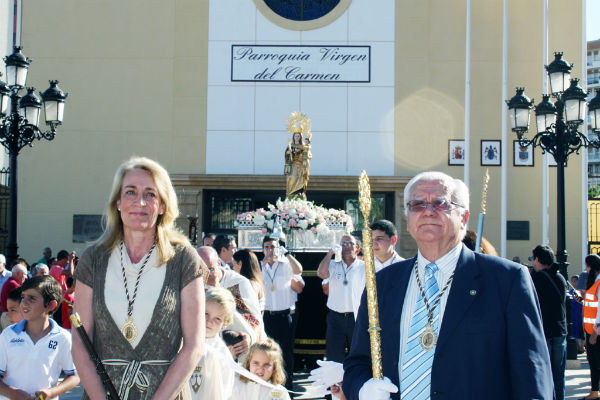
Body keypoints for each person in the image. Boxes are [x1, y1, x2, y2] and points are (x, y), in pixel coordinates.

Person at [343, 171, 552, 400]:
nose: (428, 212)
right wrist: (363, 389)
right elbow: (358, 363)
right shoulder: (382, 283)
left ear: (463, 217)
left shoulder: (507, 280)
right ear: (408, 219)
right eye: (417, 204)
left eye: (440, 203)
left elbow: (532, 375)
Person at [72, 156, 208, 399]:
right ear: (117, 202)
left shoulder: (184, 259)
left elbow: (194, 346)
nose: (140, 202)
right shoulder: (93, 259)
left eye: (151, 194)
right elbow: (81, 344)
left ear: (163, 205)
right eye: (130, 192)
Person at [0, 276, 79, 399]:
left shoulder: (63, 337)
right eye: (22, 297)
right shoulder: (7, 335)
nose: (24, 303)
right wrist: (13, 393)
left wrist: (52, 392)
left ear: (51, 305)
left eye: (32, 298)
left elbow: (74, 376)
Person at [199, 246, 262, 356]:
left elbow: (254, 318)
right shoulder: (195, 284)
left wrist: (250, 338)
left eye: (210, 269)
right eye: (201, 271)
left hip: (240, 348)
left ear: (219, 263)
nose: (206, 275)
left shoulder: (238, 283)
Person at [261, 236, 304, 391]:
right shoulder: (260, 266)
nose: (270, 250)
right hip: (267, 315)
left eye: (273, 247)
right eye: (267, 247)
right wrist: (263, 266)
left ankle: (287, 386)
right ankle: (269, 385)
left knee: (286, 352)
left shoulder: (286, 264)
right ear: (263, 249)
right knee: (267, 352)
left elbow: (299, 270)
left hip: (285, 315)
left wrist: (286, 254)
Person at [317, 235, 364, 362]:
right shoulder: (333, 264)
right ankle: (336, 382)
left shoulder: (364, 267)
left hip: (356, 317)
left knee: (357, 353)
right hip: (335, 318)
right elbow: (321, 274)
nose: (346, 247)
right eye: (343, 244)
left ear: (357, 249)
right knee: (334, 356)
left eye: (350, 244)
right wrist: (330, 253)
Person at [531, 244, 567, 400]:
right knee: (558, 374)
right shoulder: (560, 277)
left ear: (538, 259)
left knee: (545, 372)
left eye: (533, 259)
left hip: (544, 331)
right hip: (560, 330)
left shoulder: (537, 279)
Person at [190, 287, 236, 400]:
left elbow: (223, 392)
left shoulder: (223, 356)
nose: (209, 321)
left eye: (217, 319)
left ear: (225, 324)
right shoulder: (184, 339)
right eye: (206, 313)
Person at [582, 254, 600, 400]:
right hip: (591, 330)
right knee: (593, 361)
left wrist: (595, 332)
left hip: (595, 331)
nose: (586, 269)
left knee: (596, 362)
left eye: (587, 265)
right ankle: (594, 391)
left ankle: (595, 391)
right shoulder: (594, 282)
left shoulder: (599, 282)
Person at [284, 129, 311, 199]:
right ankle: (291, 192)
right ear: (293, 137)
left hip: (301, 165)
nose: (297, 137)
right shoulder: (290, 145)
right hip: (293, 164)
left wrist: (305, 155)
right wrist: (288, 153)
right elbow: (286, 154)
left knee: (301, 179)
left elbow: (307, 155)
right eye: (295, 136)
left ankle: (299, 192)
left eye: (298, 136)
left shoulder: (303, 146)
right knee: (292, 177)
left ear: (300, 137)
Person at [0, 264, 27, 328]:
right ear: (17, 274)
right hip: (10, 316)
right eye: (25, 274)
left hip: (6, 315)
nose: (26, 277)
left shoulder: (10, 282)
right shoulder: (13, 284)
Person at [571, 275, 585, 353]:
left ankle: (582, 347)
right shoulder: (571, 292)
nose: (573, 283)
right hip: (573, 315)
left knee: (582, 332)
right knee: (574, 331)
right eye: (572, 281)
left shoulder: (581, 292)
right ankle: (578, 347)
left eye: (575, 281)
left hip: (581, 315)